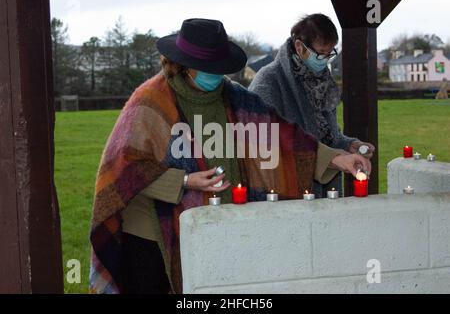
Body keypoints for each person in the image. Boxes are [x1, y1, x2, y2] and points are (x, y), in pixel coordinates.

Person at [89, 18, 371, 294]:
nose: (215, 75)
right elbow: (125, 171)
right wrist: (184, 180)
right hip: (151, 235)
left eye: (219, 68)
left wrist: (337, 158)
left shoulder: (236, 98)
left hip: (214, 226)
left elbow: (284, 137)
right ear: (183, 64)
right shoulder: (150, 102)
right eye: (207, 68)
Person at [249, 14, 375, 198]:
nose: (325, 60)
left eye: (330, 53)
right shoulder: (268, 82)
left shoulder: (323, 82)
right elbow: (265, 144)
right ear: (300, 47)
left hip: (324, 191)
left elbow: (328, 135)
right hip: (284, 192)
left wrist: (349, 145)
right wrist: (333, 159)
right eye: (321, 53)